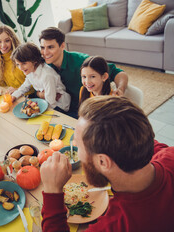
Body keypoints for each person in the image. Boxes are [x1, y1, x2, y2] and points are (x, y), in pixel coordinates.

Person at [40, 96, 174, 232]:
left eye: (78, 146)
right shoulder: (169, 153)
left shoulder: (114, 226)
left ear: (103, 162)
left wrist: (52, 191)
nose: (75, 148)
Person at [39, 27, 128, 118]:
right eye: (42, 47)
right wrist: (41, 94)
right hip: (59, 108)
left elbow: (119, 73)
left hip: (84, 111)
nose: (45, 53)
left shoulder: (82, 62)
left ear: (62, 46)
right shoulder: (44, 66)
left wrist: (120, 89)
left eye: (50, 47)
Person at [10, 42, 70, 112]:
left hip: (59, 106)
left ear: (34, 60)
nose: (21, 68)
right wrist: (14, 96)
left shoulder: (47, 75)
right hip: (46, 101)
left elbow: (51, 100)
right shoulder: (30, 71)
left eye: (24, 63)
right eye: (18, 64)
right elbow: (25, 86)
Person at [0, 25, 34, 95]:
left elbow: (35, 82)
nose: (3, 45)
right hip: (16, 97)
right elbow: (5, 83)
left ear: (12, 40)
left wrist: (18, 90)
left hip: (30, 96)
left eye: (7, 41)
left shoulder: (23, 56)